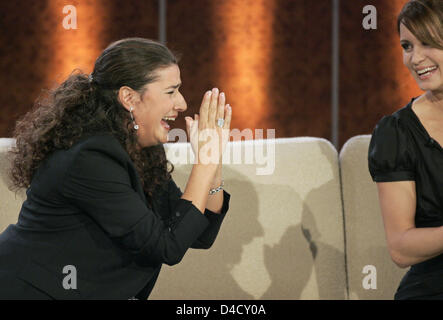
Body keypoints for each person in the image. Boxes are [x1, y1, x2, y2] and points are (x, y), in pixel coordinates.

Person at [0, 38, 232, 299]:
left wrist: (214, 165)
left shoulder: (138, 147)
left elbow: (197, 234)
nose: (181, 104)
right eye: (170, 92)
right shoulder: (90, 158)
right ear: (129, 97)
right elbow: (166, 247)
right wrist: (205, 161)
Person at [368, 0, 443, 300]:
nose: (415, 58)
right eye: (408, 46)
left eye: (427, 42)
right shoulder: (395, 134)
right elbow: (400, 246)